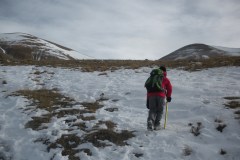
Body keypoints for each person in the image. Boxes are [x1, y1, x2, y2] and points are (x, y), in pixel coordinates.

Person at [146, 66, 172, 130]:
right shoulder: (165, 79)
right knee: (160, 111)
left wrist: (148, 100)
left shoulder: (151, 78)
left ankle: (150, 122)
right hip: (161, 96)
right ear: (165, 71)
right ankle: (157, 125)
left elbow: (148, 89)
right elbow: (169, 88)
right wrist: (168, 96)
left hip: (151, 96)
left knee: (152, 110)